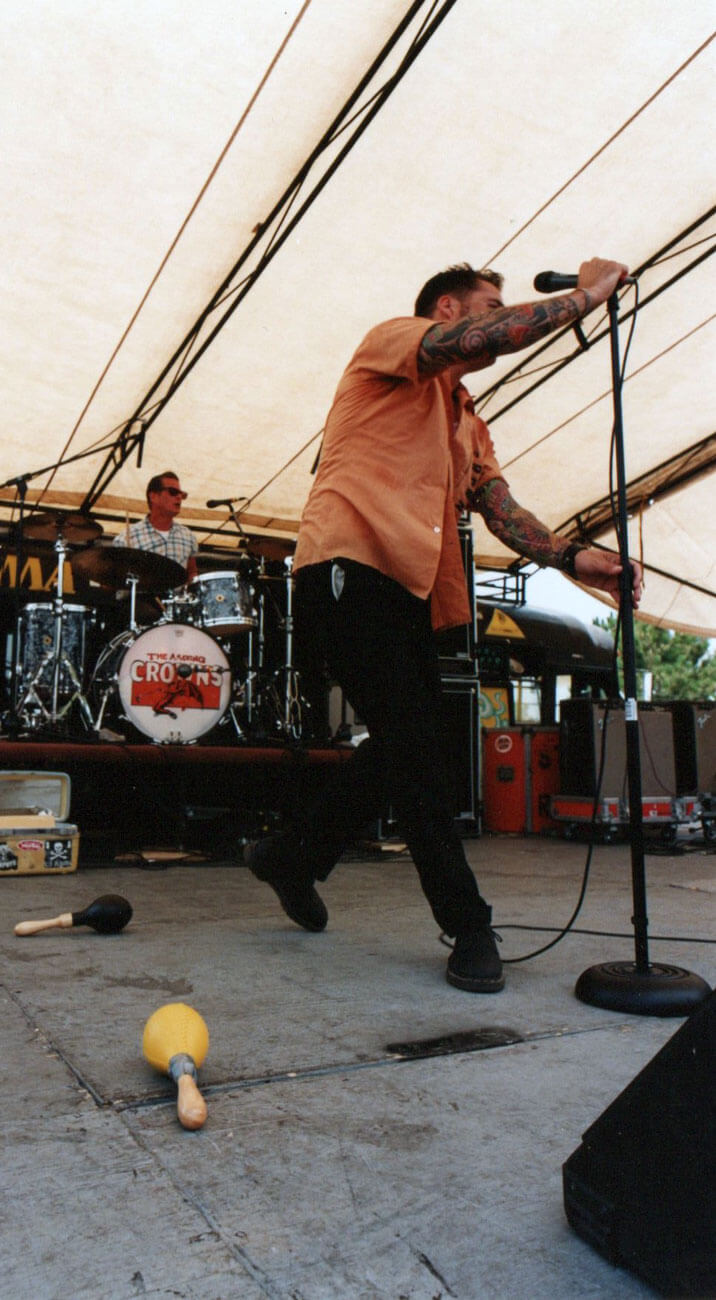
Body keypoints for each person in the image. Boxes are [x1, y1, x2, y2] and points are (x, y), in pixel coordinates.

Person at [246, 257, 643, 994]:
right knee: (420, 749)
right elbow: (494, 336)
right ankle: (469, 925)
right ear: (448, 308)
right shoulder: (394, 341)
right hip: (346, 564)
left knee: (408, 742)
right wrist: (588, 295)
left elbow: (499, 506)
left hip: (409, 589)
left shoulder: (467, 421)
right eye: (487, 304)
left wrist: (573, 558)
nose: (498, 314)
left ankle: (293, 855)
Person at [114, 470, 199, 584]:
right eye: (173, 492)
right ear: (153, 496)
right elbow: (112, 579)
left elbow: (192, 572)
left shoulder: (188, 536)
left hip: (177, 595)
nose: (179, 497)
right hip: (142, 595)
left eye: (182, 494)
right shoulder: (126, 538)